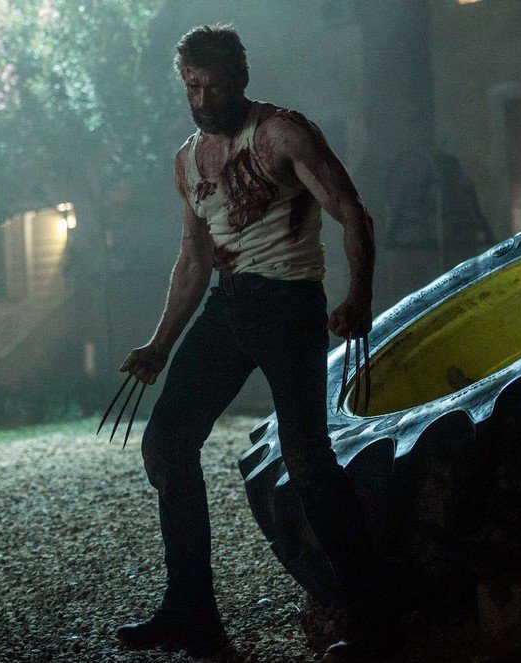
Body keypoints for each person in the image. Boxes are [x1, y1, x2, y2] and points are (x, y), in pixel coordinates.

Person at [114, 24, 405, 661]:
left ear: (241, 80)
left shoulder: (280, 133)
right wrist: (160, 344)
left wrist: (359, 295)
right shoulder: (188, 161)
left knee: (309, 464)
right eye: (193, 86)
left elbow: (351, 211)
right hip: (228, 305)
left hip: (288, 304)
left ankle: (378, 617)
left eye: (215, 86)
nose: (203, 98)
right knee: (167, 444)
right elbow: (194, 261)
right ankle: (192, 612)